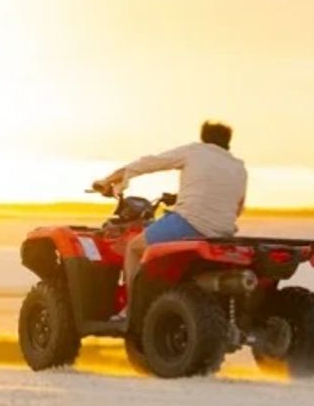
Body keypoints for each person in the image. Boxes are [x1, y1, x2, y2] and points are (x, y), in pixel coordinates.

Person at [91, 120, 247, 308]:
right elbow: (238, 208)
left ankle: (132, 311)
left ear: (204, 139)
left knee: (133, 248)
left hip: (188, 224)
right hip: (223, 234)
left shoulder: (195, 151)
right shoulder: (239, 168)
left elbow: (150, 163)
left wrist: (109, 180)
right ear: (227, 142)